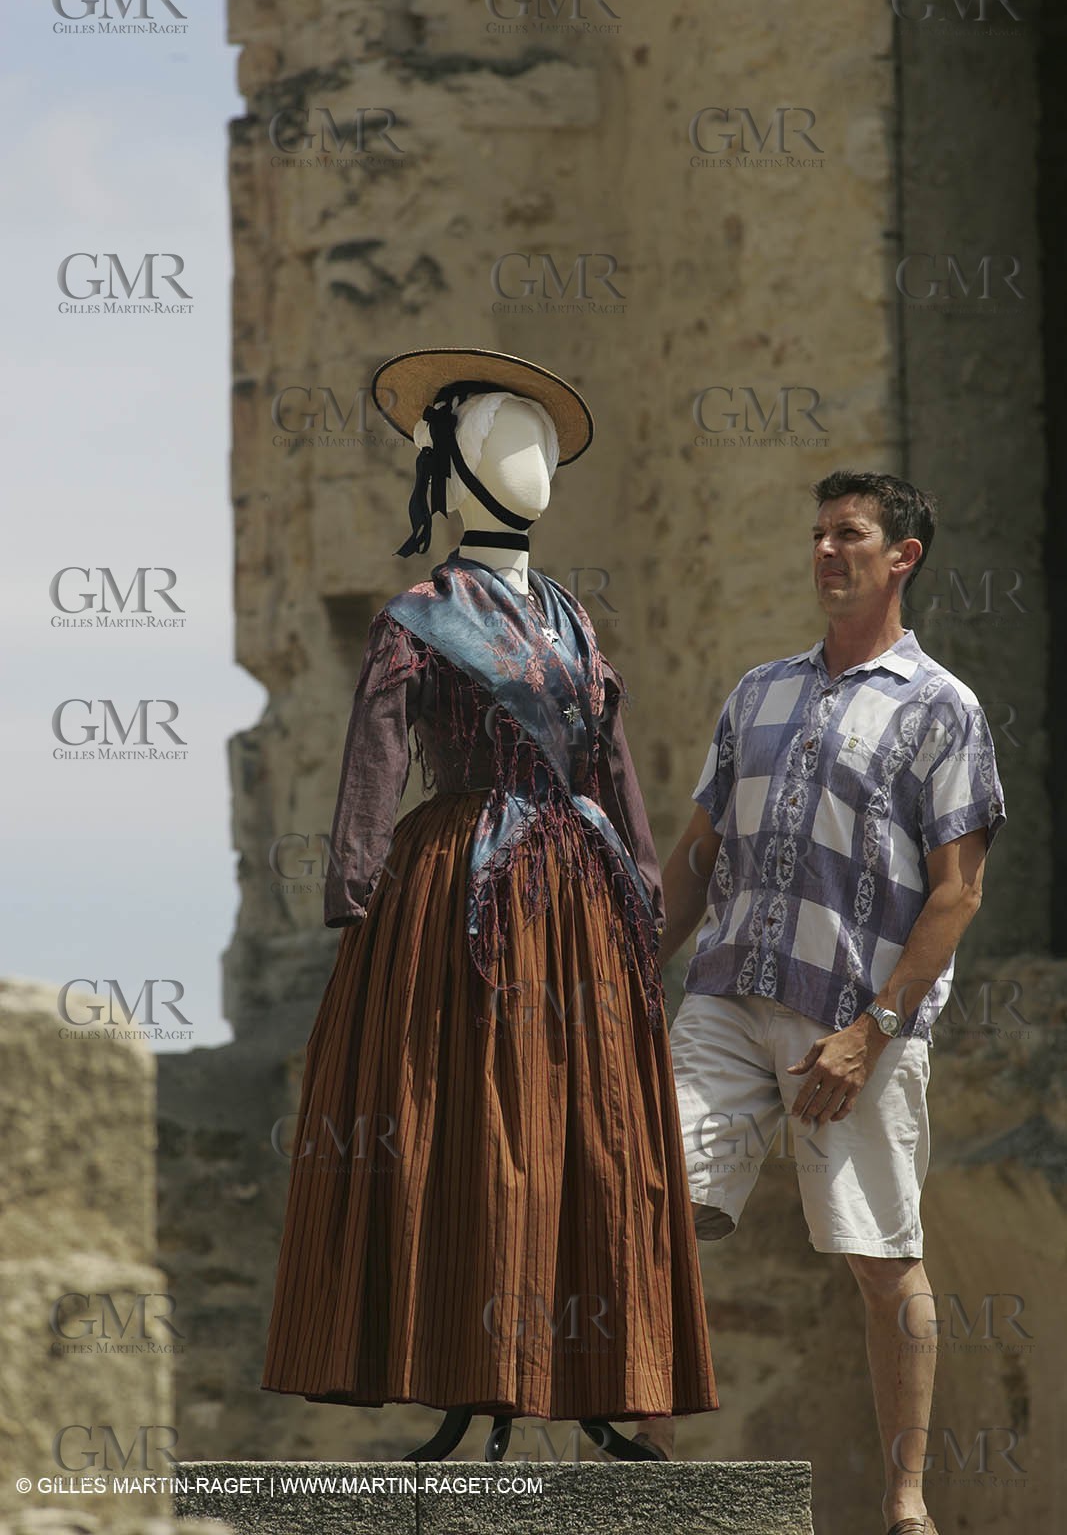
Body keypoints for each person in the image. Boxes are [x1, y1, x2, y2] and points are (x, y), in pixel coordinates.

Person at [260, 349, 716, 1461]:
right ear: (453, 475)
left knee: (593, 1130)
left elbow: (611, 770)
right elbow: (372, 768)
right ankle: (474, 1378)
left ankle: (604, 1375)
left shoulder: (573, 620)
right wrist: (358, 894)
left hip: (583, 902)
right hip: (462, 889)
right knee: (468, 1126)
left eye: (535, 444)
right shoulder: (417, 616)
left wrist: (641, 898)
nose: (534, 465)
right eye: (500, 440)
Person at [634, 472, 1006, 1535]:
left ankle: (902, 1502)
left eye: (848, 534)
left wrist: (869, 1030)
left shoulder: (943, 707)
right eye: (814, 535)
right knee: (646, 1196)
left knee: (880, 1259)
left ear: (902, 556)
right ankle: (646, 1467)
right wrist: (628, 967)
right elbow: (699, 855)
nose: (823, 552)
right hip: (724, 991)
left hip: (854, 1021)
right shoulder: (754, 692)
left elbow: (956, 890)